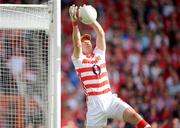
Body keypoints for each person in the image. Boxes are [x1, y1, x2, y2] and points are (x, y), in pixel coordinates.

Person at [69, 4, 152, 128]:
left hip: (109, 98)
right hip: (94, 105)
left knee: (134, 116)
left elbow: (101, 34)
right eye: (84, 41)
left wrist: (92, 21)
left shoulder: (99, 54)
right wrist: (74, 24)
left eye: (89, 41)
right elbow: (76, 44)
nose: (88, 42)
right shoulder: (78, 59)